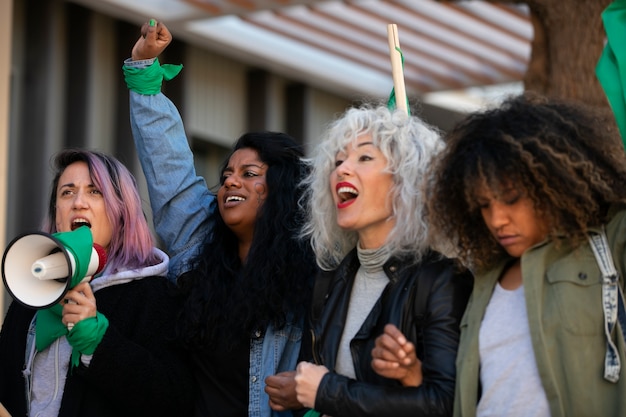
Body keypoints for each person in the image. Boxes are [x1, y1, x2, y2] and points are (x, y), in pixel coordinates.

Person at [124, 21, 317, 417]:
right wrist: (143, 70)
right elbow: (170, 165)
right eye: (227, 173)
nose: (231, 180)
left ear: (282, 188)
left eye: (249, 174)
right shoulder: (199, 239)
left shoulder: (315, 271)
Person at [427, 93, 626, 417]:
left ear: (553, 181)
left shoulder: (609, 243)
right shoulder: (483, 280)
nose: (496, 220)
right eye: (484, 205)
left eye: (511, 198)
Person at [277, 103, 472, 416]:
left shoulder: (442, 280)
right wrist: (302, 392)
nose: (342, 169)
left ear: (408, 180)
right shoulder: (331, 278)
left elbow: (445, 403)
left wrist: (325, 391)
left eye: (364, 157)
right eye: (338, 160)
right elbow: (318, 386)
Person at [0, 149, 194, 417]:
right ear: (56, 214)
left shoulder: (152, 296)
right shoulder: (31, 294)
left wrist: (100, 346)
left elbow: (174, 402)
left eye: (95, 191)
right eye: (67, 192)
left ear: (121, 212)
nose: (78, 202)